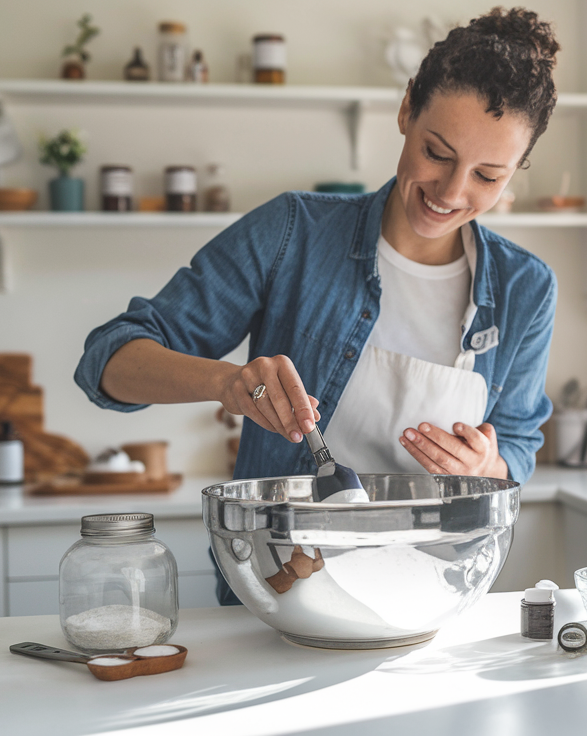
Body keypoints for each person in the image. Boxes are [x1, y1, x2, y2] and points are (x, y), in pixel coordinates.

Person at [74, 7, 561, 602]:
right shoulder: (293, 235)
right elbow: (107, 360)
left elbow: (518, 443)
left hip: (432, 593)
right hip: (282, 595)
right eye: (437, 152)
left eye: (487, 176)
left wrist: (487, 466)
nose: (452, 193)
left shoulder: (524, 289)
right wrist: (230, 384)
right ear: (407, 108)